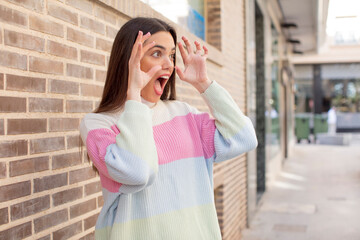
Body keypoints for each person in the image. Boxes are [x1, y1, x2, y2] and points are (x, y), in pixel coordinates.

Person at [80, 17, 257, 240]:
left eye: (171, 55)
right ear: (129, 61)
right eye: (157, 53)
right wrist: (134, 97)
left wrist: (204, 83)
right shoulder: (98, 125)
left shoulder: (185, 114)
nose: (169, 65)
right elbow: (138, 171)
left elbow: (245, 138)